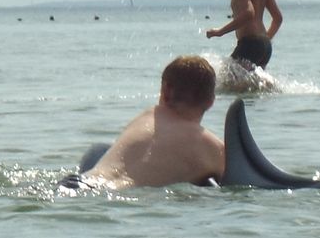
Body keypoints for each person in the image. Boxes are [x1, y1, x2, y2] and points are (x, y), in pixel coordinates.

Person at [81, 55, 225, 188]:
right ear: (211, 102)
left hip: (81, 183)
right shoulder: (213, 148)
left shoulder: (146, 117)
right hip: (117, 194)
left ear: (165, 91)